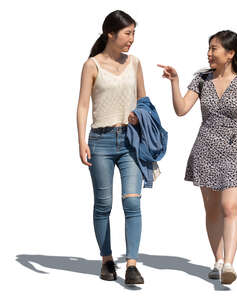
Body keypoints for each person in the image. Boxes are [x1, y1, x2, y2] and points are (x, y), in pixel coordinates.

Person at [157, 30, 237, 285]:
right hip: (205, 148)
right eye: (209, 48)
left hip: (236, 149)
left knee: (230, 208)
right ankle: (217, 260)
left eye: (215, 48)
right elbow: (182, 109)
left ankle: (229, 263)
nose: (209, 53)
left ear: (230, 54)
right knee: (213, 210)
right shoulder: (201, 80)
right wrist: (174, 81)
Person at [76, 10, 146, 285]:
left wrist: (139, 115)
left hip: (130, 141)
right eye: (127, 33)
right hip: (100, 142)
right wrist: (80, 140)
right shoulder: (92, 65)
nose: (131, 39)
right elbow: (83, 104)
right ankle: (106, 260)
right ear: (110, 34)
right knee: (103, 205)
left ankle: (131, 265)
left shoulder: (136, 63)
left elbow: (144, 102)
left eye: (133, 34)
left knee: (132, 202)